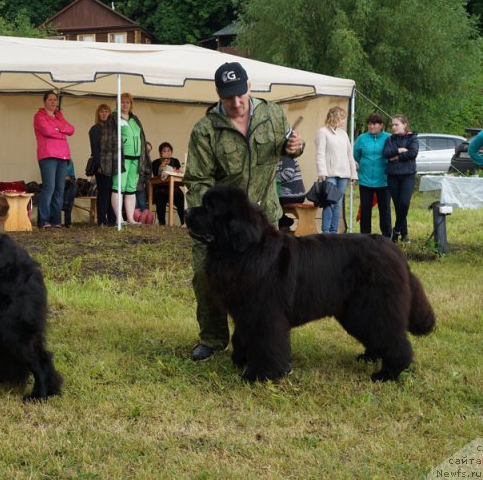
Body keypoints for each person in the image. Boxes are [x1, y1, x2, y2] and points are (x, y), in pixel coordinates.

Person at [183, 61, 304, 362]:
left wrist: (295, 147)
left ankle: (263, 335)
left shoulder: (273, 114)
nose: (236, 103)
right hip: (224, 223)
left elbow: (291, 144)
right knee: (205, 274)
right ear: (218, 95)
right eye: (228, 97)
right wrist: (211, 221)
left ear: (250, 87)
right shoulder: (206, 129)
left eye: (240, 94)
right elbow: (197, 179)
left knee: (266, 280)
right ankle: (212, 338)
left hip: (264, 218)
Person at [99, 92, 152, 225]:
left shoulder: (135, 119)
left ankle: (130, 219)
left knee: (131, 189)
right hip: (121, 159)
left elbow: (141, 137)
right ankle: (119, 219)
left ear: (131, 104)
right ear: (118, 103)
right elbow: (107, 139)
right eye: (122, 102)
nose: (125, 104)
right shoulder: (113, 118)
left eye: (127, 102)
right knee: (118, 187)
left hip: (136, 158)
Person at [33, 91, 75, 229]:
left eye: (55, 100)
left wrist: (58, 128)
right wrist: (61, 130)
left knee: (59, 189)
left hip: (63, 156)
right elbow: (47, 131)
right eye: (50, 99)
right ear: (44, 101)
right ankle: (44, 221)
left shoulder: (59, 116)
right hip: (48, 155)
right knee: (49, 188)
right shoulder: (39, 116)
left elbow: (71, 129)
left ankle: (56, 220)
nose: (52, 102)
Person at [314, 106, 357, 234]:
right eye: (342, 118)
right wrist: (322, 172)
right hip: (329, 173)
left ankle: (334, 233)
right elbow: (320, 154)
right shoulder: (322, 132)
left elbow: (350, 155)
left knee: (338, 203)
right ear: (335, 117)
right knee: (329, 203)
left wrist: (353, 173)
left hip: (343, 174)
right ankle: (326, 232)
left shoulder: (343, 134)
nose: (344, 121)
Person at [353, 113, 392, 237]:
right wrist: (365, 165)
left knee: (384, 210)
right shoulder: (362, 138)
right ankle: (365, 237)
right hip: (365, 180)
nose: (371, 126)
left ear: (381, 125)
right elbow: (356, 155)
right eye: (369, 124)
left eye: (374, 124)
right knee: (365, 210)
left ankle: (386, 237)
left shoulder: (389, 138)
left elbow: (392, 154)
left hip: (384, 180)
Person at [383, 114, 419, 242]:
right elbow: (386, 153)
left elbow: (413, 153)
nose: (393, 127)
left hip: (407, 175)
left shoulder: (413, 138)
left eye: (396, 124)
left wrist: (397, 158)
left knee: (404, 203)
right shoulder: (390, 139)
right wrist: (399, 150)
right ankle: (404, 235)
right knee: (398, 206)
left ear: (404, 125)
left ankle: (396, 229)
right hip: (393, 176)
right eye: (392, 125)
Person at [89, 103, 117, 226]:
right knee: (104, 192)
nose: (104, 114)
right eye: (101, 111)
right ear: (98, 114)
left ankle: (112, 220)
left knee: (112, 191)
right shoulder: (95, 129)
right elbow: (95, 149)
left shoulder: (113, 129)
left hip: (112, 165)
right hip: (101, 165)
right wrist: (99, 164)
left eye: (106, 111)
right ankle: (102, 220)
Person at [151, 141, 185, 225]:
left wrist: (179, 171)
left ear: (172, 152)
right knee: (160, 199)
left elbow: (179, 173)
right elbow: (156, 176)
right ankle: (162, 223)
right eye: (164, 151)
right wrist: (161, 166)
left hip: (174, 189)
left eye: (169, 151)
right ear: (160, 153)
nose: (167, 153)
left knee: (181, 197)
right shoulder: (155, 163)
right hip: (160, 189)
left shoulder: (175, 161)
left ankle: (183, 222)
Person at [63, 160, 77, 227]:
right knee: (70, 194)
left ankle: (66, 201)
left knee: (74, 185)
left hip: (69, 182)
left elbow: (72, 175)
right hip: (60, 182)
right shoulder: (56, 161)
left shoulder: (70, 161)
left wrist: (69, 178)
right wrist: (63, 177)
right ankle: (68, 222)